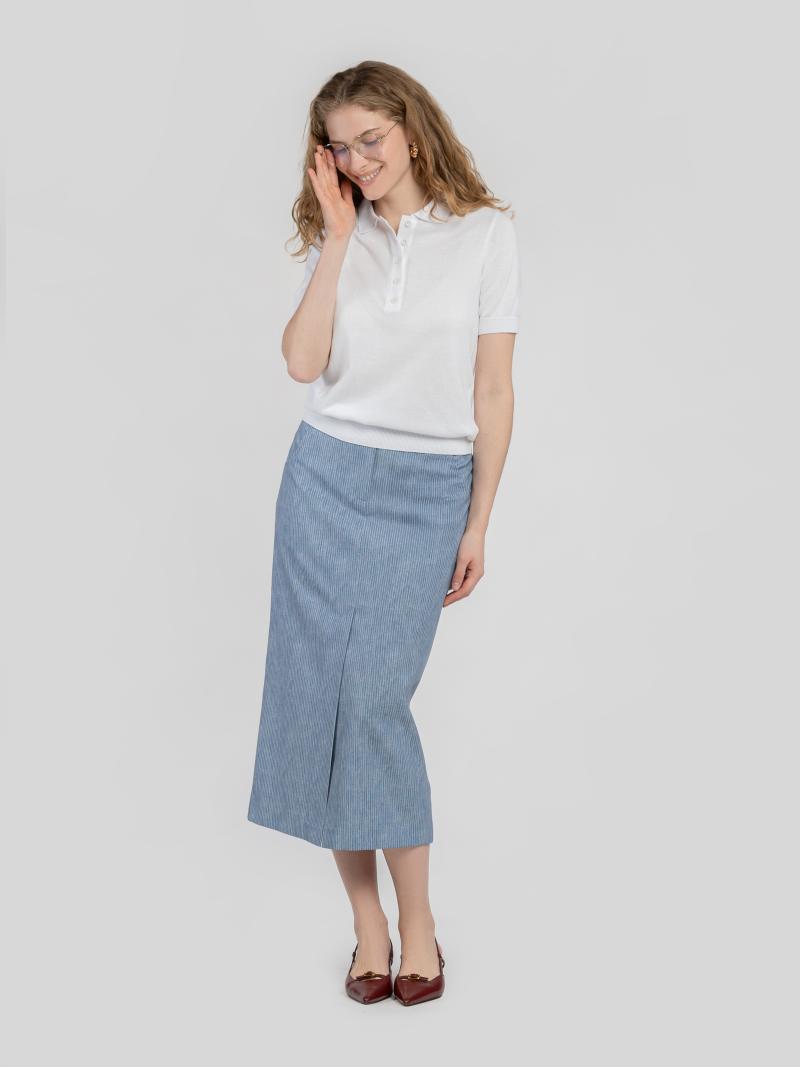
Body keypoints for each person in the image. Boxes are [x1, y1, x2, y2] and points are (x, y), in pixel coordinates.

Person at [247, 60, 520, 1006]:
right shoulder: (342, 231)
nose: (360, 160)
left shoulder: (485, 235)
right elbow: (302, 362)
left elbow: (494, 389)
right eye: (341, 147)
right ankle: (370, 927)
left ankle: (422, 921)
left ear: (411, 126)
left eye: (373, 139)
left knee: (372, 704)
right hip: (323, 481)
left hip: (426, 490)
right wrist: (335, 238)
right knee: (319, 702)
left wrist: (478, 517)